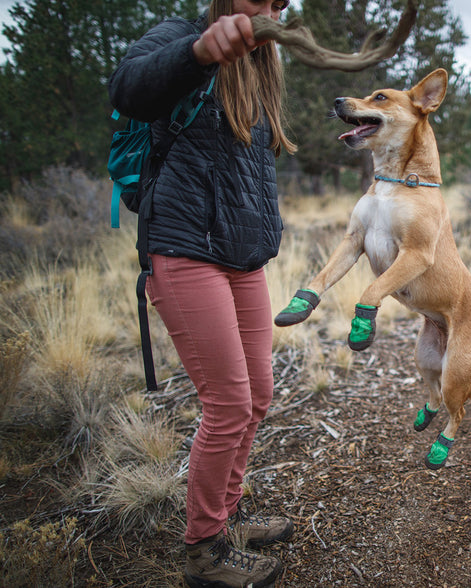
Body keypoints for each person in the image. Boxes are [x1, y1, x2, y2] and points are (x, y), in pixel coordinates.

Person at [109, 1, 297, 586]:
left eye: (278, 4)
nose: (267, 11)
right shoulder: (180, 38)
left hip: (240, 257)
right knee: (229, 403)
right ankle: (205, 549)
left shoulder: (263, 68)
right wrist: (199, 53)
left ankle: (228, 514)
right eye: (258, 0)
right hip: (185, 248)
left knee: (258, 394)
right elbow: (129, 89)